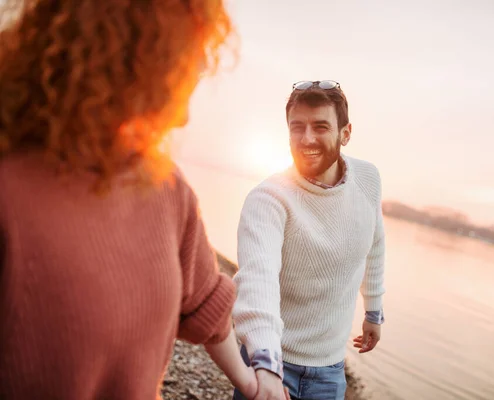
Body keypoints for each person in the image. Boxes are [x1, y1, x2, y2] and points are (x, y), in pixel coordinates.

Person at [0, 1, 259, 399]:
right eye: (181, 73)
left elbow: (206, 303)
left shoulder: (167, 188)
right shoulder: (11, 192)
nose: (182, 118)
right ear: (126, 60)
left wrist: (253, 384)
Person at [232, 80, 387, 400]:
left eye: (320, 126)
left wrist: (373, 310)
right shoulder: (268, 198)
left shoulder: (368, 179)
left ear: (346, 133)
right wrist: (266, 364)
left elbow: (375, 244)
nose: (307, 138)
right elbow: (257, 281)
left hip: (330, 370)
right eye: (297, 127)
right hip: (270, 363)